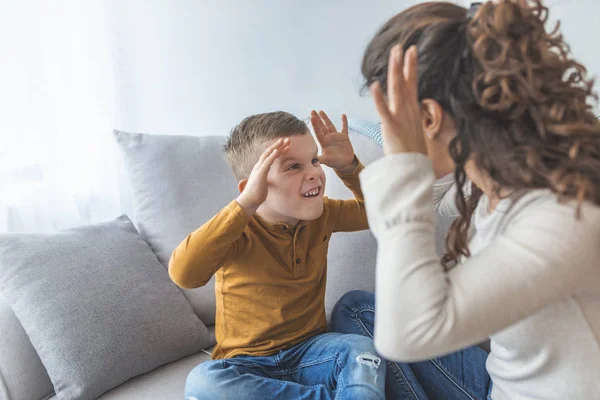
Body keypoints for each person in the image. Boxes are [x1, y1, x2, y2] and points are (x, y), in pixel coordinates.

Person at [331, 1, 600, 399]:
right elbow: (422, 202)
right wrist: (384, 159)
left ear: (430, 116)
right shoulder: (493, 181)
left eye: (393, 114)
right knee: (355, 310)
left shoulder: (562, 213)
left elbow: (407, 332)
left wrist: (406, 158)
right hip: (501, 383)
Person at [169, 110, 386, 400]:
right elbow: (184, 274)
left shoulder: (326, 214)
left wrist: (348, 167)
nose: (313, 172)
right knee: (202, 383)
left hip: (311, 352)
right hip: (246, 364)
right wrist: (244, 205)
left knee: (363, 352)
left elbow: (381, 210)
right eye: (293, 166)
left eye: (314, 160)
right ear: (254, 187)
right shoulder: (235, 229)